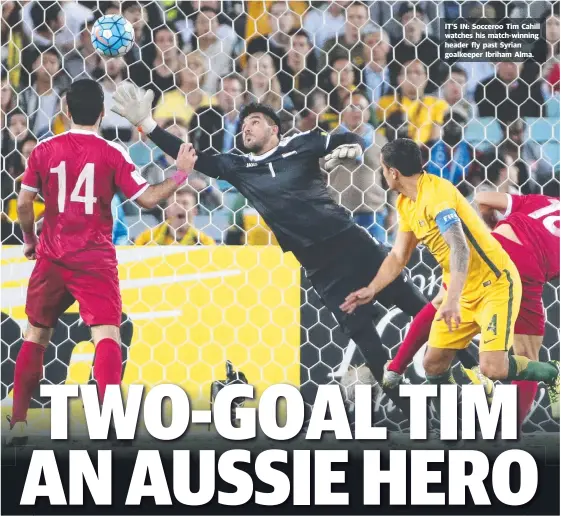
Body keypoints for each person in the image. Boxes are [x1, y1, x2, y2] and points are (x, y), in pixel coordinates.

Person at [111, 83, 438, 418]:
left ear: (273, 128)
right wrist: (147, 125)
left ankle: (477, 369)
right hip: (321, 268)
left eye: (253, 121)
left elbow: (347, 139)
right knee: (368, 343)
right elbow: (190, 157)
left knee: (417, 306)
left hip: (352, 243)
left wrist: (350, 149)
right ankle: (414, 416)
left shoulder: (301, 144)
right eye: (243, 124)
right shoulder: (238, 167)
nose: (246, 127)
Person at [6, 79, 199, 446]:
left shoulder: (44, 150)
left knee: (36, 334)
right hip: (94, 258)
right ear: (101, 113)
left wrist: (31, 241)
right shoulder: (112, 153)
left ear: (64, 111)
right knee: (106, 334)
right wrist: (181, 173)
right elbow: (147, 201)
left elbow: (26, 202)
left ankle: (18, 423)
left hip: (53, 255)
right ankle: (108, 423)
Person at [341, 139, 559, 409]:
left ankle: (551, 373)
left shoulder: (437, 195)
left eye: (383, 169)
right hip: (469, 283)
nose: (382, 174)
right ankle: (453, 420)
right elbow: (398, 256)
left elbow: (459, 246)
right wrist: (372, 289)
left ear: (393, 172)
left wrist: (452, 298)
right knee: (432, 363)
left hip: (495, 284)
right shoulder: (406, 203)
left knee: (492, 367)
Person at [379, 191, 561, 424]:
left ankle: (396, 368)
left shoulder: (541, 200)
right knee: (527, 357)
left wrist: (494, 225)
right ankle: (509, 433)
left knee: (442, 304)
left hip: (492, 253)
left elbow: (483, 198)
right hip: (527, 272)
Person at [135, 187, 215, 246]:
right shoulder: (146, 238)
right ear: (167, 211)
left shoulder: (205, 243)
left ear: (195, 211)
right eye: (175, 203)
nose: (180, 207)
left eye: (185, 203)